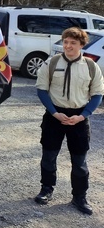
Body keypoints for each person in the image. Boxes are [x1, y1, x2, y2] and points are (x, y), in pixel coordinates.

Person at [34, 27, 104, 215]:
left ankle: (79, 196)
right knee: (49, 156)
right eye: (65, 41)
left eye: (73, 42)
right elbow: (41, 90)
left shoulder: (91, 66)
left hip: (79, 117)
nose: (68, 45)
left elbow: (98, 93)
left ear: (82, 44)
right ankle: (46, 189)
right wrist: (54, 113)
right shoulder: (52, 62)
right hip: (55, 116)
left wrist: (83, 115)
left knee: (79, 160)